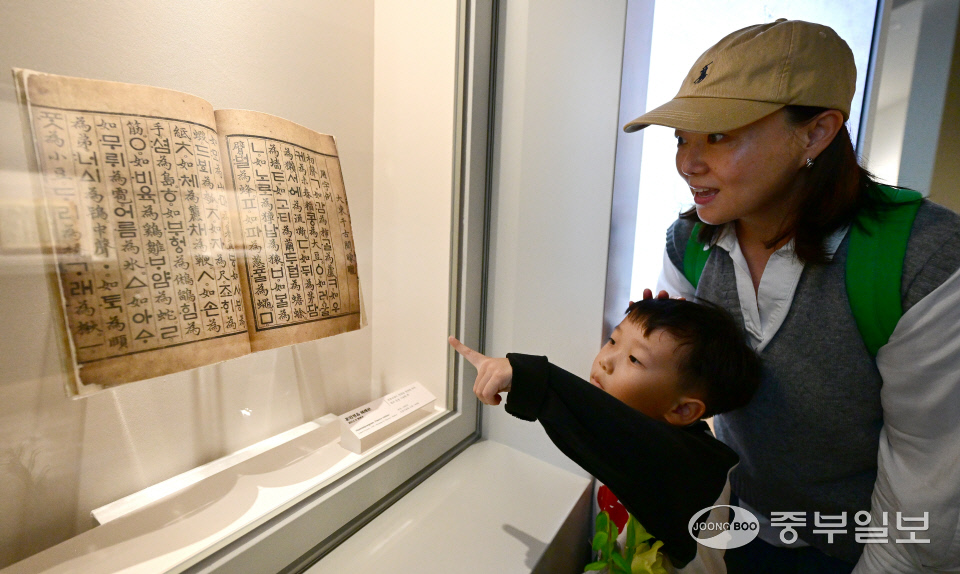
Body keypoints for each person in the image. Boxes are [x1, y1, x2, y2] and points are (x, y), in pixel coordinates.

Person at [622, 18, 960, 573]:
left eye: (719, 135)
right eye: (681, 137)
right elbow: (686, 404)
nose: (687, 162)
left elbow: (928, 496)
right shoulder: (691, 243)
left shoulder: (920, 260)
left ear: (816, 133)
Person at [449, 297, 762, 571]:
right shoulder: (627, 433)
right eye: (613, 340)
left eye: (635, 359)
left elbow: (624, 436)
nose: (606, 360)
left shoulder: (696, 470)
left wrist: (532, 380)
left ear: (683, 411)